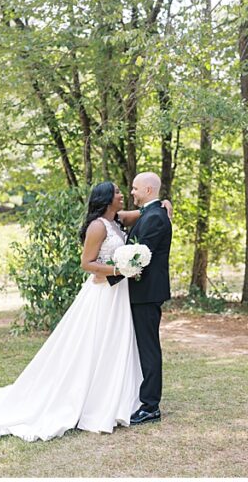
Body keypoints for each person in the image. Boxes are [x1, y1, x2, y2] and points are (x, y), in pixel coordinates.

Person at [0, 182, 168, 441]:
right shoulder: (98, 225)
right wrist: (119, 270)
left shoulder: (116, 219)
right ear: (108, 199)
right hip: (102, 293)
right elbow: (86, 263)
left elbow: (146, 214)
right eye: (119, 192)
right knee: (92, 344)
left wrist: (165, 206)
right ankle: (87, 398)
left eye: (128, 190)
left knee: (115, 345)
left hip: (119, 296)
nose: (124, 195)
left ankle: (115, 394)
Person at [111, 172, 172, 425]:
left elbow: (139, 257)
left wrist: (110, 277)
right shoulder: (152, 212)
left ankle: (150, 406)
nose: (132, 192)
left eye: (135, 188)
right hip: (140, 292)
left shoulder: (156, 217)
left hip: (146, 294)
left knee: (148, 349)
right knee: (141, 347)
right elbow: (119, 218)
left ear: (148, 190)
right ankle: (140, 396)